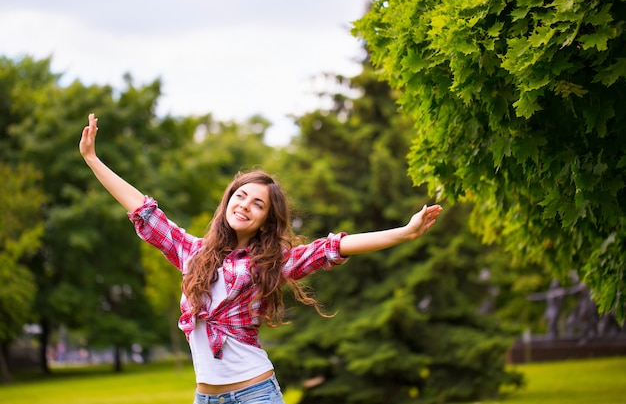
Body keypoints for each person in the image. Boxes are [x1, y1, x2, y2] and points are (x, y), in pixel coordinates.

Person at [79, 113, 443, 404]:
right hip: (204, 397)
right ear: (228, 201)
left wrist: (403, 232)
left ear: (266, 218)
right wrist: (93, 159)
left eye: (258, 204)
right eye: (241, 196)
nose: (245, 206)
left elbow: (332, 248)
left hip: (254, 393)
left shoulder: (270, 262)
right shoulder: (192, 254)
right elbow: (142, 209)